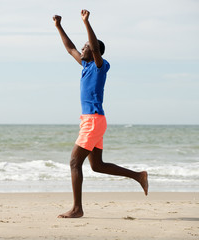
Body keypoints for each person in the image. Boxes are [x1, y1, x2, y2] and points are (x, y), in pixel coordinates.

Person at [53, 10, 148, 218]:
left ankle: (77, 209)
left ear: (96, 53)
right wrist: (59, 26)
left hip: (93, 121)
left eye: (86, 47)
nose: (83, 48)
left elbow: (95, 47)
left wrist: (87, 23)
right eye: (84, 47)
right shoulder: (86, 66)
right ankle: (138, 176)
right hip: (92, 120)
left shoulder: (100, 66)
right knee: (97, 166)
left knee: (74, 163)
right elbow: (70, 49)